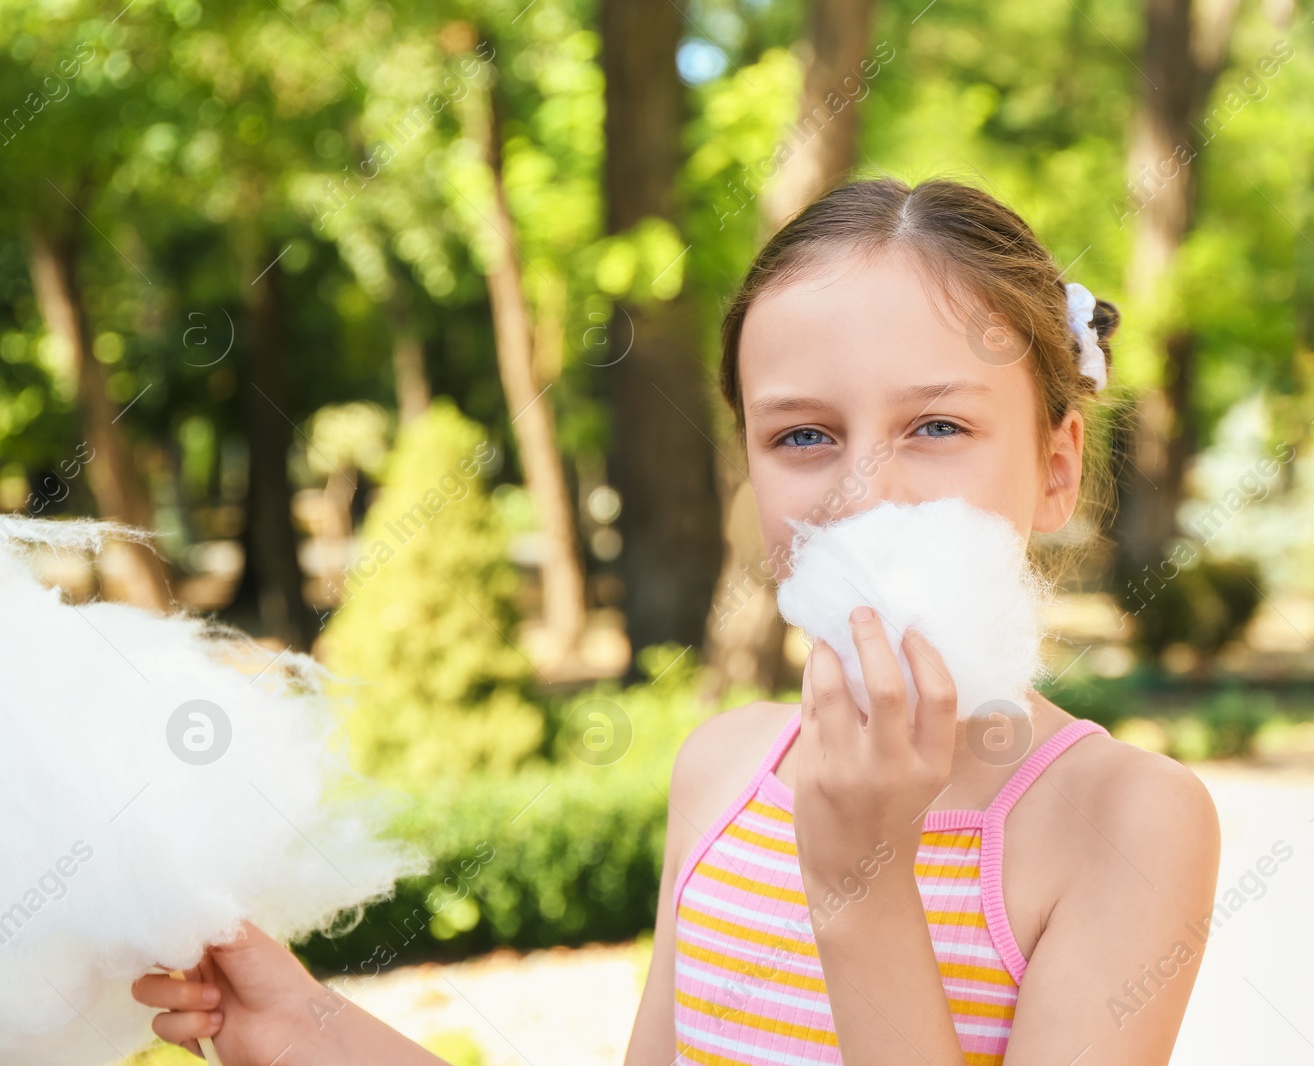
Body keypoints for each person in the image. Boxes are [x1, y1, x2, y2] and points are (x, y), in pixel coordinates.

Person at [134, 177, 1221, 1064]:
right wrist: (302, 1024)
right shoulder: (725, 769)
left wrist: (861, 883)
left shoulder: (1126, 823)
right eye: (803, 437)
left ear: (1055, 469)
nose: (864, 491)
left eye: (936, 424)